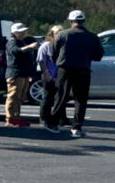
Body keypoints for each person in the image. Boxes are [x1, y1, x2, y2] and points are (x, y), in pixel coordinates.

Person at [51, 10, 104, 138]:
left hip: (65, 68)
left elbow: (54, 53)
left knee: (61, 96)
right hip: (83, 69)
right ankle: (77, 126)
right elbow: (98, 55)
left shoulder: (63, 34)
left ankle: (54, 123)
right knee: (80, 99)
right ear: (83, 21)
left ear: (71, 21)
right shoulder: (92, 37)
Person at [3, 23, 35, 126]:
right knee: (13, 96)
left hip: (23, 74)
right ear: (14, 33)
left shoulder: (22, 42)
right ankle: (10, 117)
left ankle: (16, 116)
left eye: (23, 31)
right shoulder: (11, 42)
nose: (23, 33)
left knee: (20, 97)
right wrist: (29, 47)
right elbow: (14, 51)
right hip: (15, 74)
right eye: (20, 32)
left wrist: (30, 73)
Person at [37, 24, 61, 129]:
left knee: (57, 98)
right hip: (48, 75)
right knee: (47, 98)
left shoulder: (61, 45)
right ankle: (43, 118)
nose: (58, 35)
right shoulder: (46, 45)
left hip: (58, 76)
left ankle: (56, 118)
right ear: (52, 34)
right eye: (56, 33)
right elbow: (40, 60)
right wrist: (46, 73)